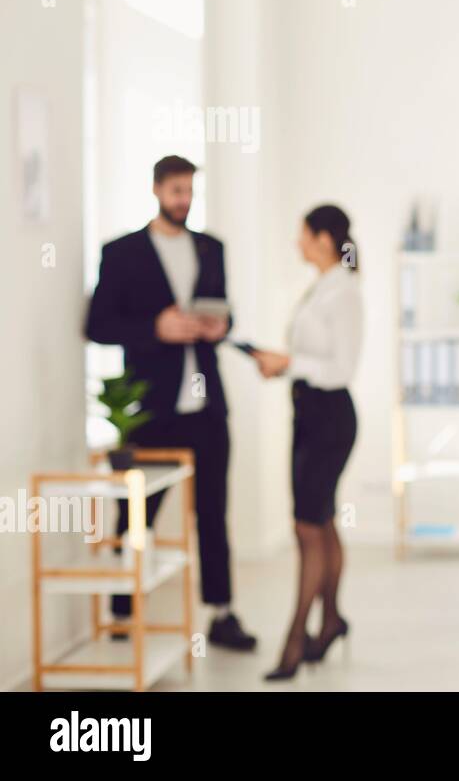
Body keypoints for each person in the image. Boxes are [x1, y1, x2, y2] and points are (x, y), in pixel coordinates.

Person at [85, 154, 257, 651]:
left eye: (189, 192)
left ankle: (222, 613)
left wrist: (221, 326)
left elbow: (225, 310)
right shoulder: (121, 253)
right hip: (151, 407)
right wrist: (154, 330)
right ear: (157, 189)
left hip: (207, 404)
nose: (184, 200)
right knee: (137, 512)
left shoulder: (210, 248)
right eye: (176, 191)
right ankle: (122, 612)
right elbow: (97, 326)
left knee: (213, 512)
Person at [251, 205, 362, 681]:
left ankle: (296, 638)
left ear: (321, 238)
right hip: (309, 414)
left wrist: (289, 362)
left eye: (301, 234)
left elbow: (340, 370)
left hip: (330, 419)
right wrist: (282, 364)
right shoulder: (322, 287)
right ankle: (331, 619)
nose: (296, 243)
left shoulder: (345, 292)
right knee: (322, 522)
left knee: (306, 529)